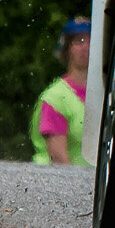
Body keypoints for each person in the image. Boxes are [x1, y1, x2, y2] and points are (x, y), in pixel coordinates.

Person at [31, 18, 91, 165]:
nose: (86, 47)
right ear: (67, 48)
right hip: (58, 183)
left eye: (91, 41)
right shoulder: (56, 98)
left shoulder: (106, 96)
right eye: (79, 41)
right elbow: (59, 160)